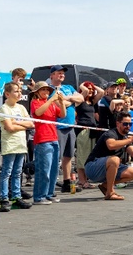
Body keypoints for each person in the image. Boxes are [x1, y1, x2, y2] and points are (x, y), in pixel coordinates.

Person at [84, 113, 133, 200]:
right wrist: (131, 139)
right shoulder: (110, 133)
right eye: (125, 124)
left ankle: (105, 185)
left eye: (130, 124)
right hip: (92, 167)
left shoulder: (125, 138)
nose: (128, 126)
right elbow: (111, 145)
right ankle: (110, 193)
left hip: (109, 167)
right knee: (115, 160)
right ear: (118, 123)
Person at [0, 82, 34, 212]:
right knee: (7, 172)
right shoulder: (4, 108)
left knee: (17, 172)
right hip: (10, 144)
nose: (20, 93)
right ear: (7, 94)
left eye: (20, 91)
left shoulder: (21, 108)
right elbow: (9, 127)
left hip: (21, 144)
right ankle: (4, 199)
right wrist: (21, 124)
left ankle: (16, 198)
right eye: (16, 91)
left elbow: (31, 124)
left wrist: (16, 122)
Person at [48, 65, 84, 194]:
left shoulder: (68, 87)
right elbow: (56, 104)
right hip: (58, 126)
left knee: (68, 156)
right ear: (52, 75)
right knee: (56, 157)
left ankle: (67, 182)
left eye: (63, 73)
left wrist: (67, 99)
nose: (62, 75)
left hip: (70, 126)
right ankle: (49, 185)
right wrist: (71, 101)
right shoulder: (49, 89)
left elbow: (81, 98)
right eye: (59, 73)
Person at [30, 81, 66, 204]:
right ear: (37, 92)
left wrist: (61, 102)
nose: (46, 92)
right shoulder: (35, 102)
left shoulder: (50, 104)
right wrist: (51, 100)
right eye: (43, 90)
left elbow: (62, 114)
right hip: (43, 140)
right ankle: (39, 196)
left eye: (47, 90)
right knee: (43, 169)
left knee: (53, 170)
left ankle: (49, 194)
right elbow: (38, 112)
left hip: (54, 139)